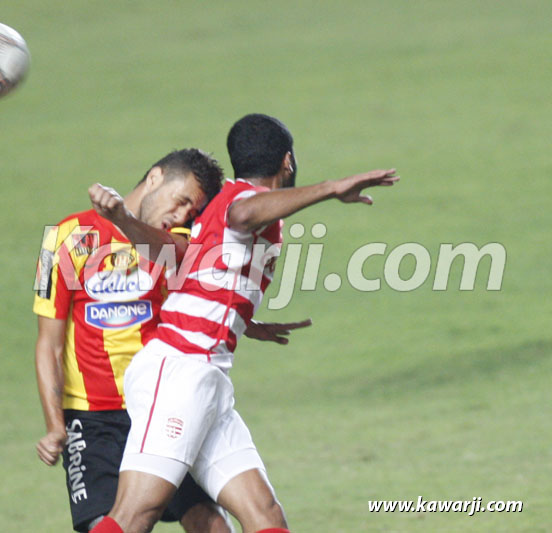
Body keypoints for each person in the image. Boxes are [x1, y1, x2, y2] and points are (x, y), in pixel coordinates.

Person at [88, 114, 399, 533]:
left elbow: (191, 267)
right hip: (179, 369)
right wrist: (331, 187)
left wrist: (244, 322)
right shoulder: (242, 202)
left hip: (208, 377)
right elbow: (242, 215)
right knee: (132, 517)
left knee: (266, 518)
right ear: (287, 161)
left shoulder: (220, 204)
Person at [34, 148, 305, 532]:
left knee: (209, 521)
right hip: (93, 422)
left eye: (190, 212)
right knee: (109, 522)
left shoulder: (174, 240)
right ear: (156, 177)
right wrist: (55, 424)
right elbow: (49, 343)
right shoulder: (62, 238)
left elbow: (202, 296)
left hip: (166, 403)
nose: (181, 216)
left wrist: (245, 321)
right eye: (180, 202)